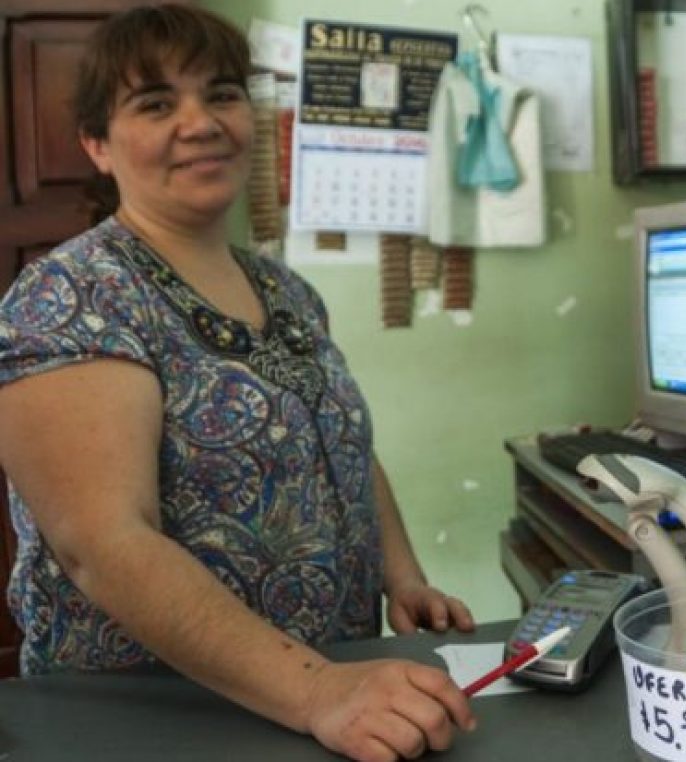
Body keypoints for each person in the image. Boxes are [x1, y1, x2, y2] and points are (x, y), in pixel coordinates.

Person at [0, 6, 476, 761]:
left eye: (221, 94)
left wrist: (403, 576)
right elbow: (103, 543)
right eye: (156, 104)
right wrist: (321, 692)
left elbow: (341, 444)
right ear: (96, 143)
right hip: (152, 722)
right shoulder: (71, 298)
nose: (201, 122)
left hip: (324, 704)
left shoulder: (285, 291)